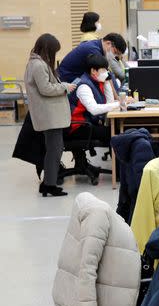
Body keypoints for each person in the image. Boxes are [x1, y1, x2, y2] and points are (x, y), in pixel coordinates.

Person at [24, 34, 76, 197]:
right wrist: (65, 87)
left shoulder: (35, 63)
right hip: (49, 116)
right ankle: (49, 185)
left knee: (54, 149)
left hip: (49, 116)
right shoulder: (38, 65)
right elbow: (45, 89)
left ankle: (48, 183)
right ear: (48, 49)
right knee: (54, 150)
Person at [67, 54, 124, 146]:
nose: (106, 72)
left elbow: (109, 102)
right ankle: (117, 160)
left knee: (117, 130)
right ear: (93, 70)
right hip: (78, 126)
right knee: (115, 133)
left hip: (88, 122)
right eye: (104, 70)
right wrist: (120, 104)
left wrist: (107, 82)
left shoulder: (96, 81)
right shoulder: (84, 86)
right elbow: (94, 109)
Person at [58, 32, 127, 85]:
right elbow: (105, 77)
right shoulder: (93, 50)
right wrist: (118, 97)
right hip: (67, 80)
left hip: (75, 78)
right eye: (115, 52)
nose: (114, 55)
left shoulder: (97, 46)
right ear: (108, 43)